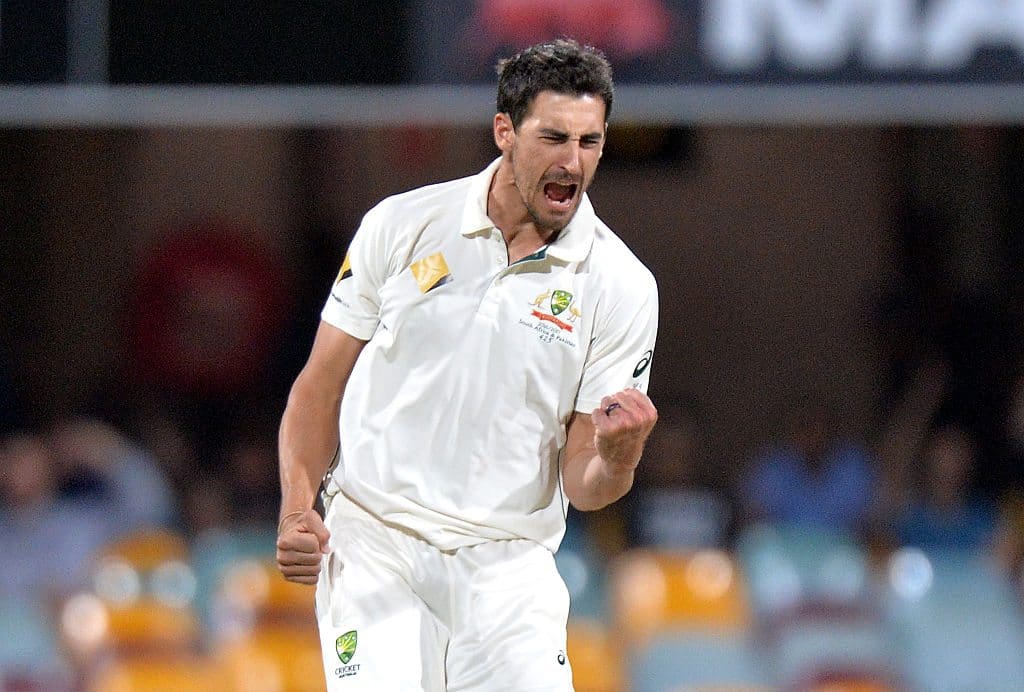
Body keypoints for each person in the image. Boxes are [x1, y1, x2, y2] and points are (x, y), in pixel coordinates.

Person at [275, 39, 659, 691]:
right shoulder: (402, 224)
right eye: (553, 137)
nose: (572, 162)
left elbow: (583, 481)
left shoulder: (622, 285)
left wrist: (619, 459)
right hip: (376, 542)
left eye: (590, 141)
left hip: (510, 568)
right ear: (505, 131)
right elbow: (319, 385)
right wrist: (295, 508)